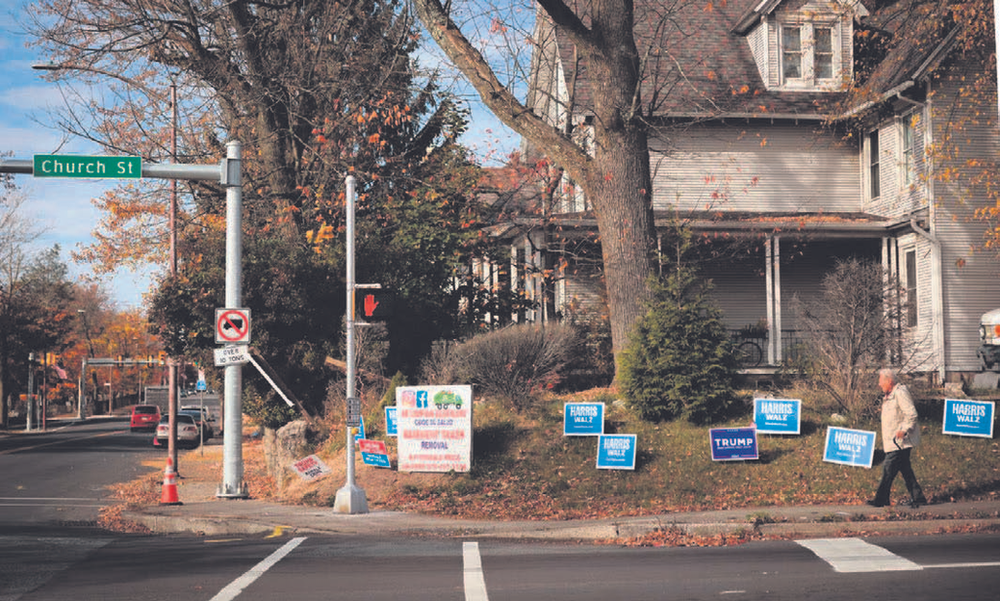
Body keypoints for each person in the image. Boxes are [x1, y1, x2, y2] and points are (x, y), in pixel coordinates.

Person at [868, 368, 928, 508]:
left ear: (889, 381)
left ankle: (881, 499)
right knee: (906, 470)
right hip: (892, 441)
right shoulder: (890, 396)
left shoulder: (900, 393)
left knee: (888, 470)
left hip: (900, 441)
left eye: (881, 381)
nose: (879, 384)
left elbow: (911, 414)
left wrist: (904, 429)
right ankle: (918, 497)